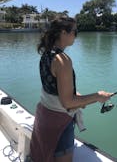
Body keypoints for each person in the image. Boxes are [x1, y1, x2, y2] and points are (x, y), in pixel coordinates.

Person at [29, 16, 112, 162]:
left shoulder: (47, 54)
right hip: (60, 123)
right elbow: (67, 103)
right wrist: (98, 96)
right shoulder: (63, 60)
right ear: (63, 32)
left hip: (45, 116)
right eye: (75, 31)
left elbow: (52, 88)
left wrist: (77, 96)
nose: (76, 35)